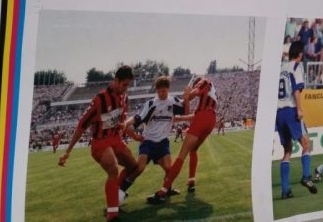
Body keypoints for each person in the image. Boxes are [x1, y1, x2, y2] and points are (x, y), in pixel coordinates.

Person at [58, 65, 140, 222]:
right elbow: (82, 125)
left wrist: (134, 136)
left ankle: (116, 194)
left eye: (128, 85)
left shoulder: (124, 98)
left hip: (116, 139)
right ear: (116, 81)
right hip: (100, 142)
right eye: (124, 85)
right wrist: (67, 151)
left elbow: (121, 122)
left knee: (133, 167)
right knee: (113, 169)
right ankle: (112, 214)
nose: (125, 88)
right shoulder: (100, 99)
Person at [147, 75, 218, 204]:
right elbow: (196, 112)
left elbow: (191, 96)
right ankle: (191, 181)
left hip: (202, 118)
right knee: (193, 150)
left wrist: (187, 94)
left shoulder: (203, 81)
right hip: (211, 119)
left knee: (181, 155)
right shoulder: (211, 90)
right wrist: (180, 117)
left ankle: (163, 191)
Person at [118, 76, 191, 197]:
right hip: (148, 142)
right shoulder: (151, 104)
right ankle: (121, 191)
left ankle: (166, 190)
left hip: (162, 143)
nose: (161, 93)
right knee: (139, 169)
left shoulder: (173, 101)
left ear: (168, 89)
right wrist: (126, 124)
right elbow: (137, 117)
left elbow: (185, 111)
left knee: (169, 169)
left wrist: (187, 98)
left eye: (163, 91)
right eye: (158, 91)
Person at [275, 41, 317, 199]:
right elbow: (296, 90)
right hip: (291, 110)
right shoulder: (296, 66)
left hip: (279, 113)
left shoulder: (281, 68)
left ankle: (285, 190)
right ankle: (306, 176)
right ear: (300, 54)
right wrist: (299, 108)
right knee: (306, 143)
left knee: (287, 151)